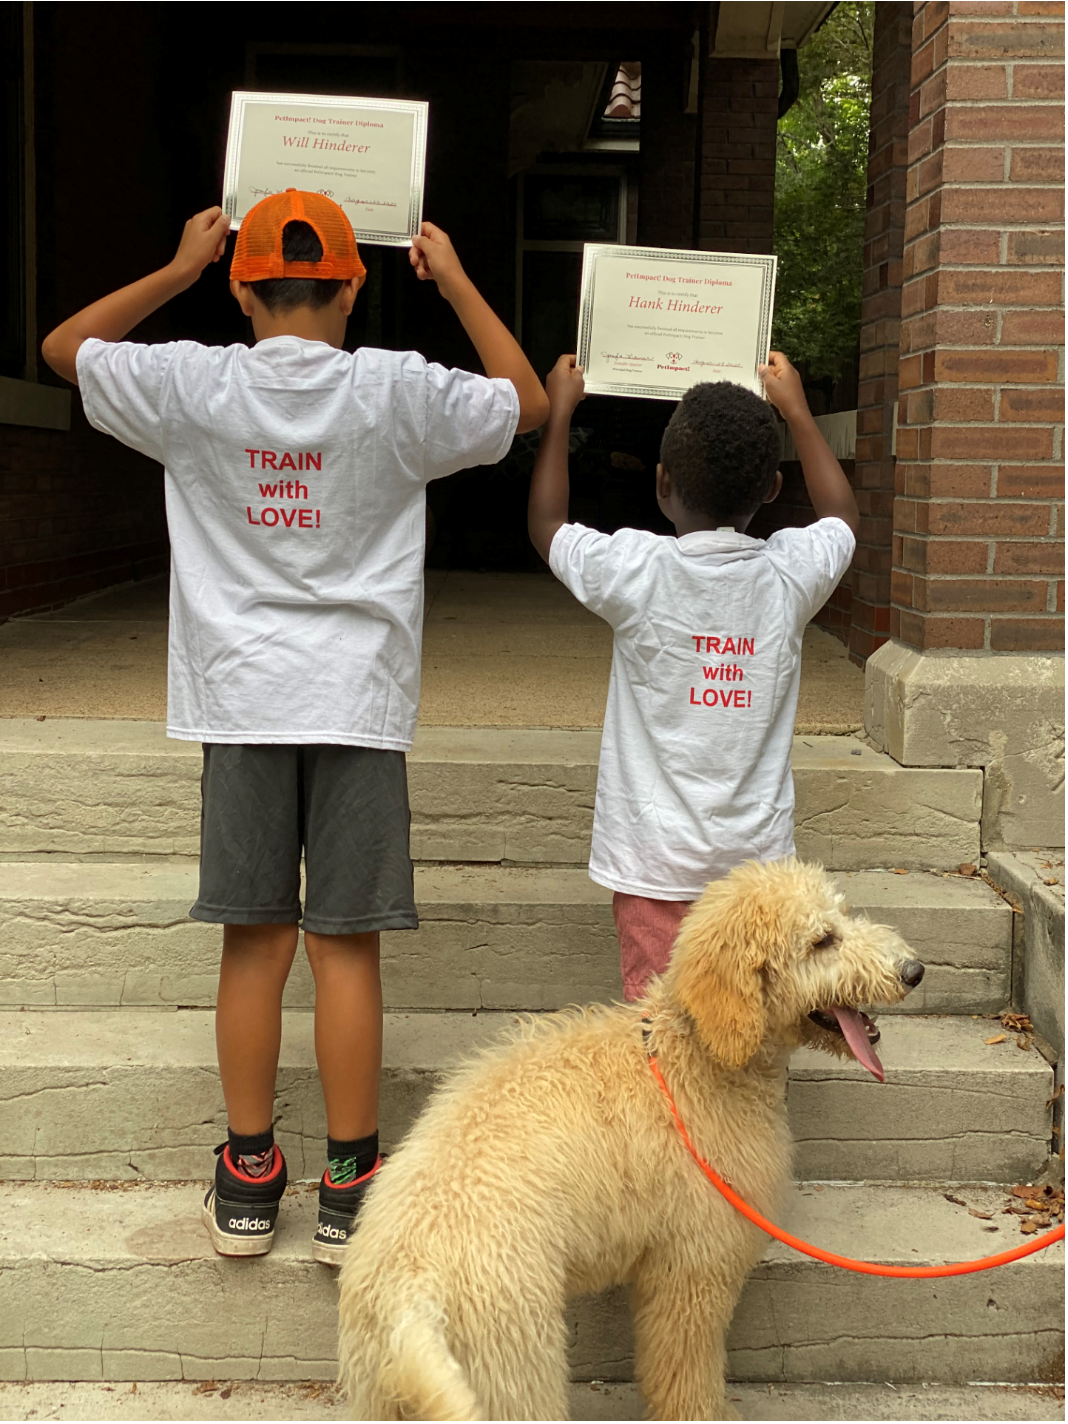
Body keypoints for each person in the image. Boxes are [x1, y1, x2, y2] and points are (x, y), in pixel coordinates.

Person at [42, 191, 549, 1263]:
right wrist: (456, 280)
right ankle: (350, 1183)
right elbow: (528, 401)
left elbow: (64, 349)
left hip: (240, 696)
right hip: (358, 699)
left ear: (241, 286)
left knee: (255, 937)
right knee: (344, 943)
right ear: (355, 286)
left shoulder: (190, 383)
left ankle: (248, 1172)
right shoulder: (397, 389)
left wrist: (176, 270)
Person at [528, 353, 859, 1001]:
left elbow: (547, 526)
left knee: (663, 1029)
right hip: (757, 878)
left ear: (662, 484)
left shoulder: (636, 569)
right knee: (751, 1026)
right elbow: (842, 518)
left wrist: (560, 412)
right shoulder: (789, 574)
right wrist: (796, 410)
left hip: (652, 865)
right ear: (771, 489)